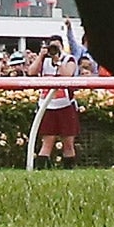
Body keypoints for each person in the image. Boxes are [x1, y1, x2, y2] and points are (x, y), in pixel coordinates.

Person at [28, 37, 81, 169]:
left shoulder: (68, 59)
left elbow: (67, 75)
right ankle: (40, 169)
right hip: (47, 105)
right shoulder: (44, 61)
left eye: (56, 47)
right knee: (47, 141)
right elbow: (31, 72)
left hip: (65, 105)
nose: (53, 50)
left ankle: (69, 169)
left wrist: (58, 61)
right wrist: (41, 56)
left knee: (68, 142)